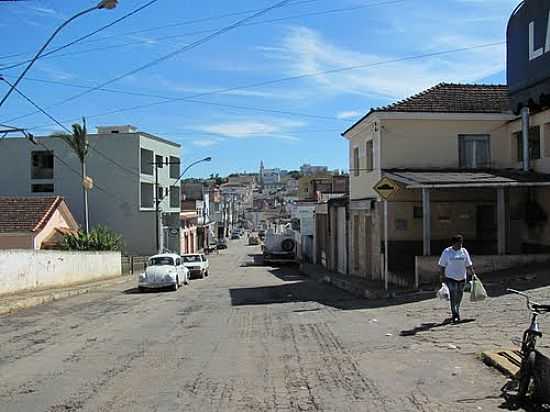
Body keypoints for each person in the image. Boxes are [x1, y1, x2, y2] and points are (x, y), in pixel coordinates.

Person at [438, 234, 477, 324]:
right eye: (458, 243)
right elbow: (442, 265)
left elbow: (468, 264)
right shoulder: (447, 252)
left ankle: (457, 308)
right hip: (450, 277)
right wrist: (442, 275)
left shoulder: (464, 251)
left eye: (461, 243)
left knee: (459, 295)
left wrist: (473, 273)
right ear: (453, 243)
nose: (460, 245)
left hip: (462, 277)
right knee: (453, 295)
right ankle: (455, 314)